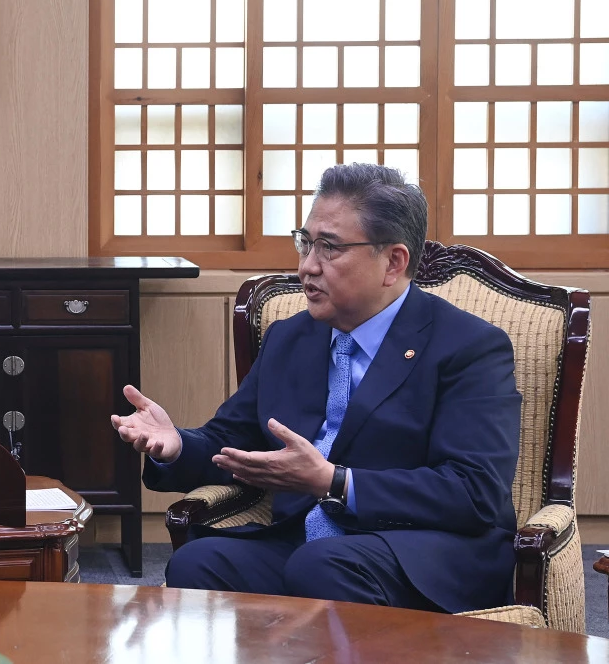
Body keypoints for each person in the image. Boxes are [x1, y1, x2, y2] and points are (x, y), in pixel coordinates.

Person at [111, 163, 521, 613]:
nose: (307, 266)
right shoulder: (291, 338)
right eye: (305, 243)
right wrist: (175, 445)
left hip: (424, 550)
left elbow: (474, 490)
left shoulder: (468, 346)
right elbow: (232, 440)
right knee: (199, 562)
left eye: (330, 248)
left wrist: (334, 482)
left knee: (322, 566)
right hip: (310, 543)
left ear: (393, 262)